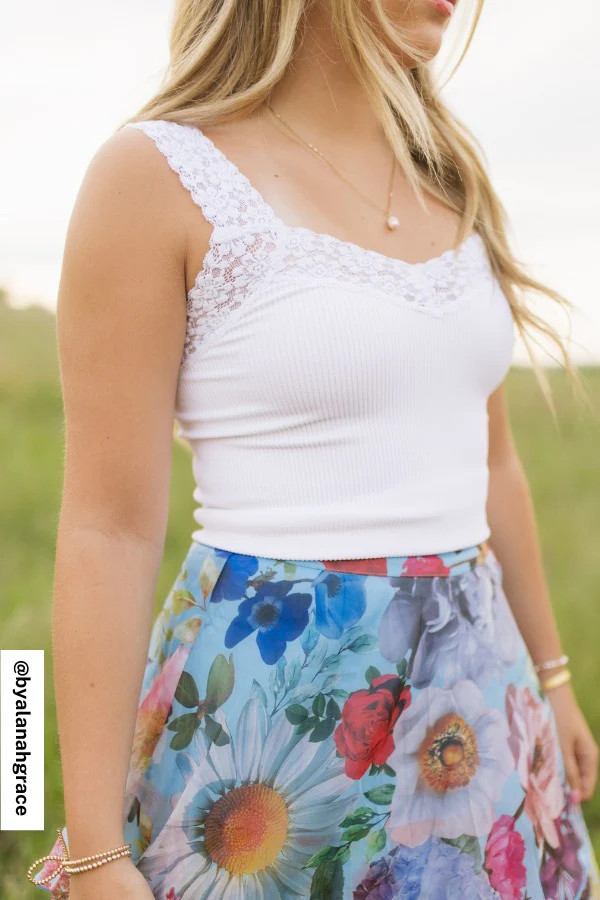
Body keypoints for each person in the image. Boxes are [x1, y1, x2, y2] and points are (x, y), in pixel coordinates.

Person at [27, 0, 600, 897]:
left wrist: (554, 678)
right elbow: (107, 528)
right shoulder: (153, 175)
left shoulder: (448, 173)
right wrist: (92, 848)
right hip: (270, 723)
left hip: (483, 707)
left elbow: (493, 464)